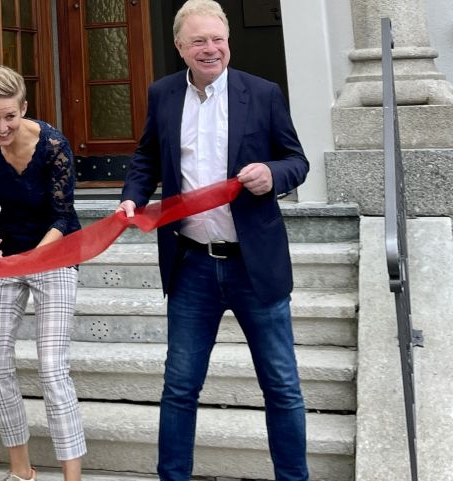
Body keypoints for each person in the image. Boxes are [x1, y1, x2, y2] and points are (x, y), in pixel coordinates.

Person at [117, 1, 310, 480]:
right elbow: (146, 158)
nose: (211, 49)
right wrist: (131, 198)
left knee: (282, 387)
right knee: (180, 388)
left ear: (229, 42)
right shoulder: (163, 95)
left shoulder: (262, 93)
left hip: (254, 266)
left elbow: (296, 160)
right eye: (199, 41)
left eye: (217, 39)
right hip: (192, 267)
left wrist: (273, 174)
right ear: (181, 47)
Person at [0, 66, 85, 481]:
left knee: (52, 368)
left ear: (24, 108)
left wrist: (34, 258)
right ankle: (21, 471)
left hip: (54, 253)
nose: (1, 127)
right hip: (8, 255)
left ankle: (73, 476)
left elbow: (63, 215)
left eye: (9, 117)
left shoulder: (54, 145)